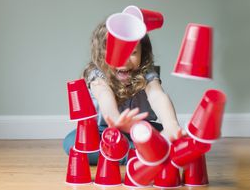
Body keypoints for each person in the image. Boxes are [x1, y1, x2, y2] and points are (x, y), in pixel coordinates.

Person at [63, 19, 184, 165]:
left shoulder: (146, 72)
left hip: (140, 129)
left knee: (172, 137)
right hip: (105, 132)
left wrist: (171, 125)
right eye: (117, 53)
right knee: (74, 144)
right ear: (102, 55)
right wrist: (116, 120)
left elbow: (157, 95)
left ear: (142, 52)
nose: (125, 61)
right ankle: (138, 154)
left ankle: (143, 151)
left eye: (133, 52)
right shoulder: (96, 74)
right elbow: (103, 94)